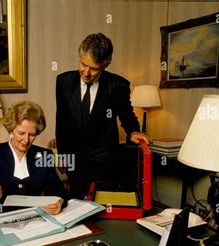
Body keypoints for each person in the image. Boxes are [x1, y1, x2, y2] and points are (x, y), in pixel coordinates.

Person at [55, 33, 149, 199]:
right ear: (79, 56)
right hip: (75, 158)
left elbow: (126, 113)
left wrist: (133, 131)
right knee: (77, 205)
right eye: (83, 64)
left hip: (104, 159)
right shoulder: (63, 81)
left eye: (94, 68)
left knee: (102, 206)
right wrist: (62, 155)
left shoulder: (117, 85)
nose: (86, 72)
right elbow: (62, 121)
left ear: (105, 65)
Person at [0, 101, 68, 215]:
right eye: (21, 133)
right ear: (11, 130)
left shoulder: (44, 155)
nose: (26, 140)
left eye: (32, 134)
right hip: (0, 219)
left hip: (36, 219)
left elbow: (59, 192)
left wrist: (59, 202)